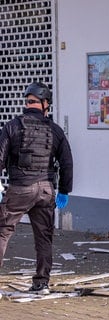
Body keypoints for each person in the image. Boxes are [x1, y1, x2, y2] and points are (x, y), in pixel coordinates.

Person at [0, 82, 73, 295]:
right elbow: (67, 162)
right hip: (46, 190)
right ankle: (41, 283)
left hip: (20, 188)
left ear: (28, 102)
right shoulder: (55, 130)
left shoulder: (12, 126)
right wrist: (64, 191)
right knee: (44, 237)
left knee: (3, 232)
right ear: (45, 104)